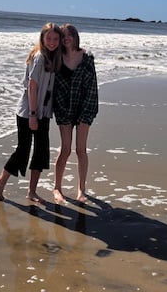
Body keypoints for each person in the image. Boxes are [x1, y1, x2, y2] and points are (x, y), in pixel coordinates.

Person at [0, 23, 62, 203]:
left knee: (40, 152)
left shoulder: (53, 57)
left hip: (43, 112)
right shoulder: (39, 57)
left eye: (56, 39)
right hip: (28, 112)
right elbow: (32, 87)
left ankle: (32, 192)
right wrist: (33, 114)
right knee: (22, 151)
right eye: (49, 38)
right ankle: (1, 181)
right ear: (42, 38)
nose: (52, 42)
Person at [52, 24, 99, 203]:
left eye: (69, 35)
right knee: (65, 149)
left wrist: (86, 114)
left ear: (75, 36)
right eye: (63, 36)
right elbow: (54, 87)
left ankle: (81, 189)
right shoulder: (58, 58)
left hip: (83, 109)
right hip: (64, 109)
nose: (66, 38)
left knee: (81, 149)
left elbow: (92, 87)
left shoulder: (87, 58)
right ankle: (57, 187)